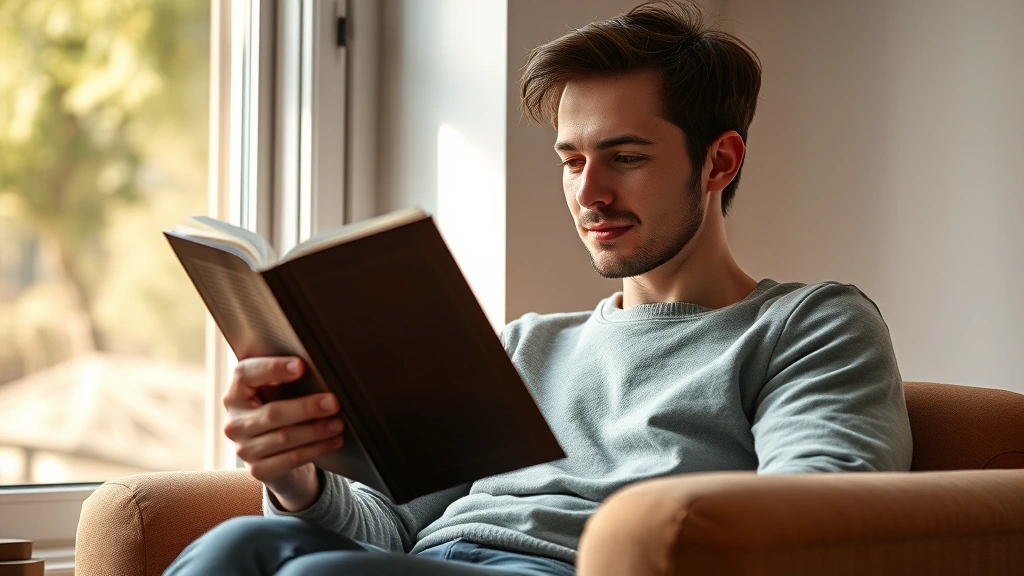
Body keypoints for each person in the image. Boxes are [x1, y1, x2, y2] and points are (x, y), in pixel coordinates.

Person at [165, 1, 913, 574]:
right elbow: (392, 531)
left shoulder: (809, 324)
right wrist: (298, 478)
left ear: (718, 163)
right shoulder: (526, 344)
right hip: (429, 561)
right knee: (246, 540)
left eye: (624, 156)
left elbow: (822, 522)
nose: (589, 193)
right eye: (571, 160)